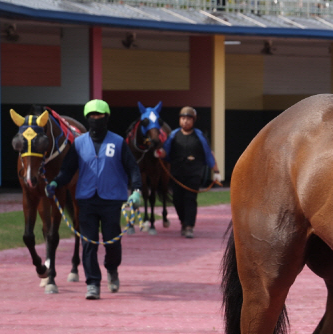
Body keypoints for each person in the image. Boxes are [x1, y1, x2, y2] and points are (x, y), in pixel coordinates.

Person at [46, 100, 142, 300]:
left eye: (99, 116)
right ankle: (93, 283)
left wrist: (137, 190)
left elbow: (133, 168)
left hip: (112, 200)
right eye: (92, 116)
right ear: (87, 118)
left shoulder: (118, 143)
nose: (96, 119)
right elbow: (67, 169)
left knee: (112, 243)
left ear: (106, 117)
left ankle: (112, 269)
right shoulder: (79, 144)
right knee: (89, 244)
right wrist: (55, 183)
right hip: (87, 200)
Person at [157, 106, 218, 239]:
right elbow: (165, 152)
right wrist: (160, 153)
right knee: (178, 200)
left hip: (194, 174)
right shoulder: (173, 135)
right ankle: (183, 222)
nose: (186, 121)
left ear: (193, 121)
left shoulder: (199, 136)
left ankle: (190, 226)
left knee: (190, 200)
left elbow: (209, 153)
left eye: (189, 119)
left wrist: (216, 171)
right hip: (177, 174)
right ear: (180, 120)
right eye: (183, 118)